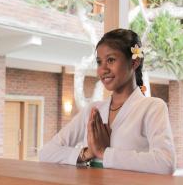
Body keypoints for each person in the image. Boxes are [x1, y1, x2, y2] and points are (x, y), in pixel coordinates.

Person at [39, 29, 176, 174]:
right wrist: (87, 153)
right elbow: (46, 152)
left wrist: (103, 152)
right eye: (99, 62)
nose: (103, 70)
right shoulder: (93, 110)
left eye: (110, 60)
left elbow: (165, 162)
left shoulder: (152, 108)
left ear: (135, 62)